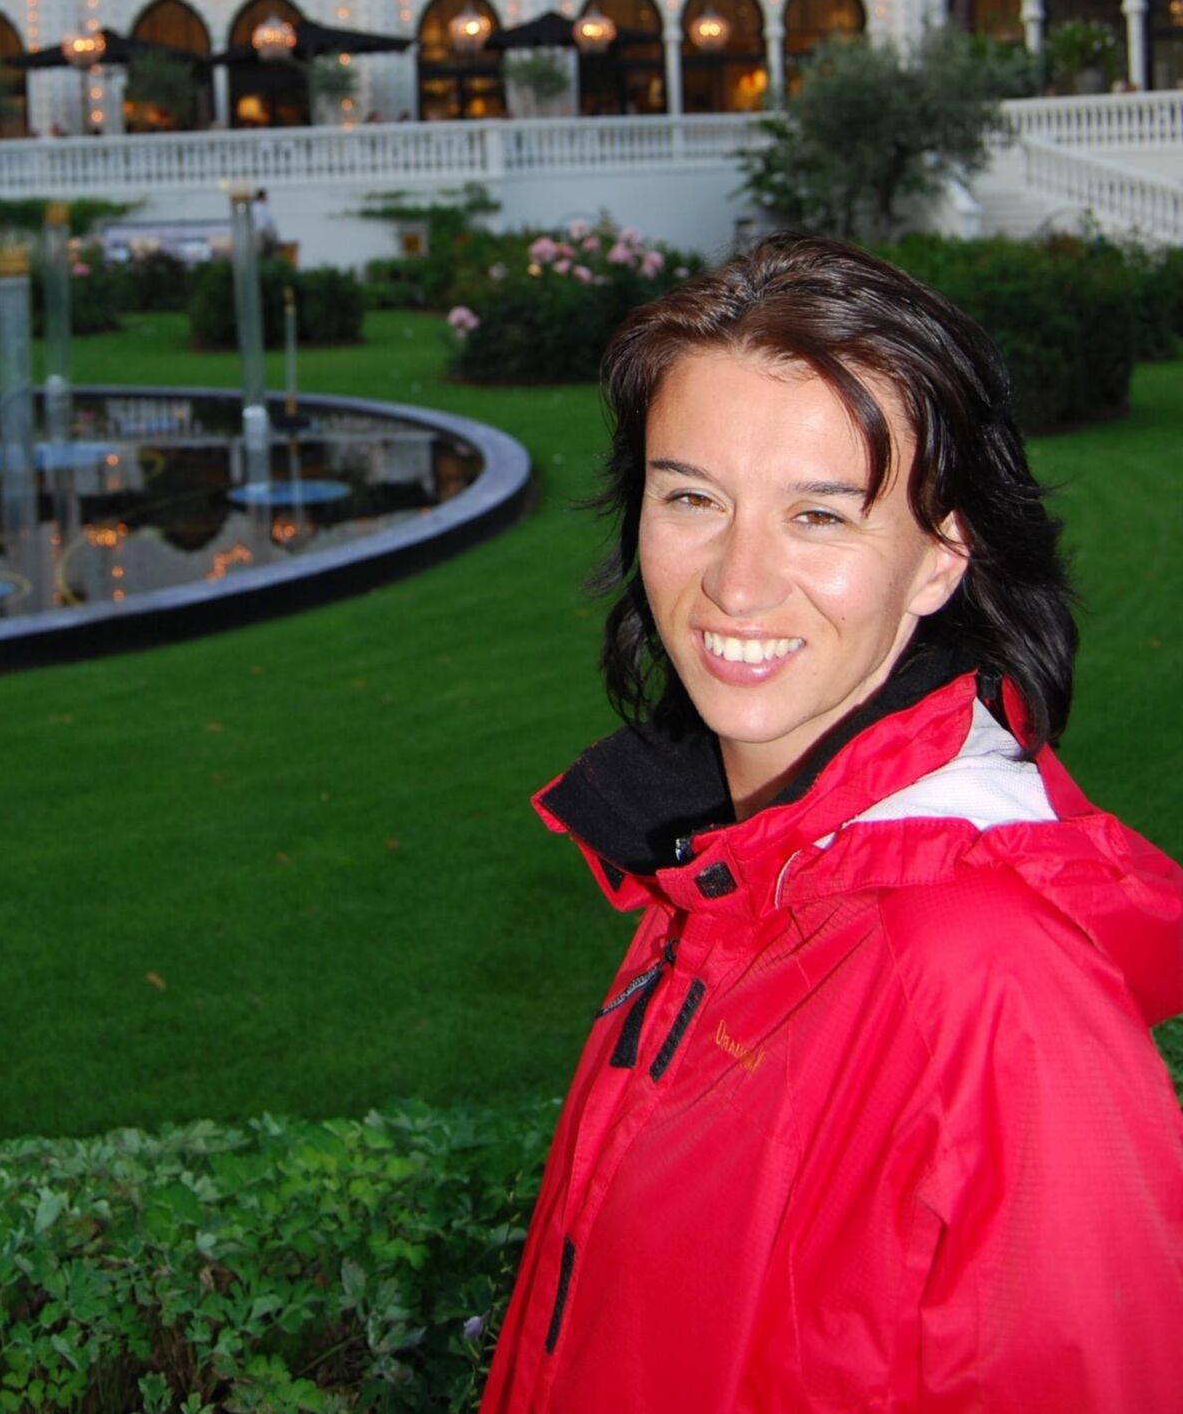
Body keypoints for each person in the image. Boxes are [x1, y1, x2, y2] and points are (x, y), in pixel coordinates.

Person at [481, 235, 1183, 1414]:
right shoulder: (726, 877)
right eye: (692, 497)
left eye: (819, 514)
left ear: (939, 556)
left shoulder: (987, 985)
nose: (737, 582)